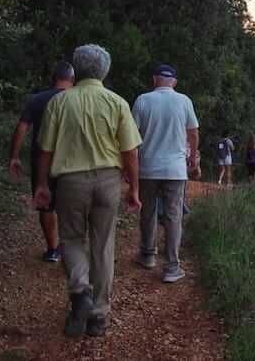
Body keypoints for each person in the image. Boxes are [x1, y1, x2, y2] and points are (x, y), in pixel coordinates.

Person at [34, 44, 142, 339]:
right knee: (103, 245)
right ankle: (99, 316)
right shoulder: (117, 102)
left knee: (71, 239)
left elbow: (45, 149)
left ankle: (80, 290)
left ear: (76, 69)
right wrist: (133, 188)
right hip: (108, 182)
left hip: (70, 182)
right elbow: (130, 152)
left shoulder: (59, 102)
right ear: (104, 71)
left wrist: (42, 184)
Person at [132, 64, 199, 284]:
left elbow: (132, 137)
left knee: (148, 212)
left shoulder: (143, 100)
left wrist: (129, 167)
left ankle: (148, 255)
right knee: (173, 216)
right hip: (175, 169)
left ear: (154, 80)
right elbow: (193, 132)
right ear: (175, 83)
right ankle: (171, 267)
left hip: (148, 167)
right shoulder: (184, 101)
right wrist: (192, 157)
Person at [8, 61, 75, 262]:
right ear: (72, 79)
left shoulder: (36, 99)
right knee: (71, 205)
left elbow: (22, 127)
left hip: (41, 160)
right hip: (71, 160)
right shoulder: (77, 99)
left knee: (46, 204)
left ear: (52, 78)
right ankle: (70, 249)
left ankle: (53, 249)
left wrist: (14, 156)